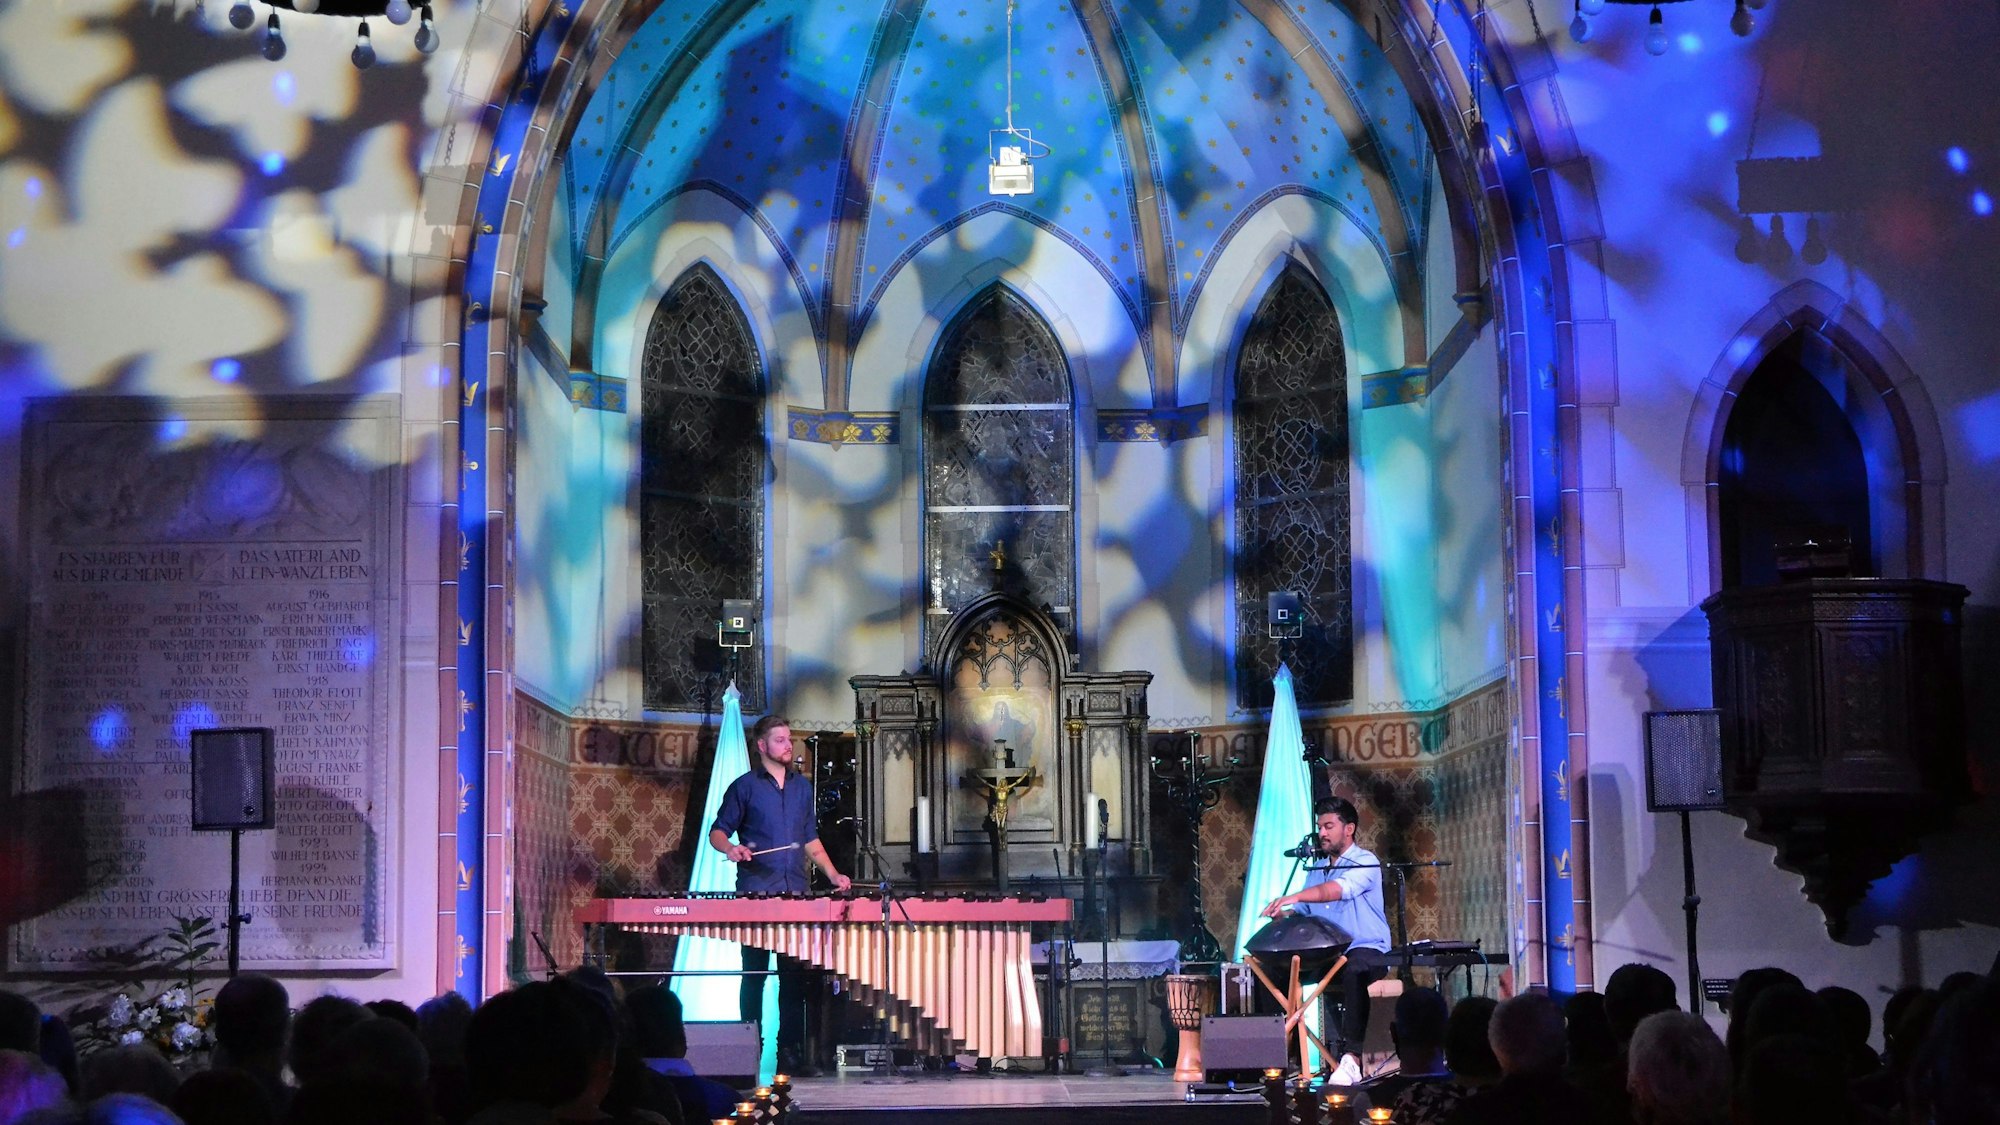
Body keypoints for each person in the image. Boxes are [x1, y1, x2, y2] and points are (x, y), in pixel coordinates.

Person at [708, 714, 852, 1077]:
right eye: (780, 740)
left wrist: (833, 874)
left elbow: (810, 840)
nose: (789, 745)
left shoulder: (802, 788)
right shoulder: (744, 787)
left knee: (793, 979)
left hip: (794, 895)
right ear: (762, 746)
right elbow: (717, 832)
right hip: (756, 896)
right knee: (754, 976)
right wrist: (732, 849)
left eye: (789, 739)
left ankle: (788, 1054)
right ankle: (748, 1053)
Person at [1259, 796, 1393, 1079]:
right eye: (1320, 827)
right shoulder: (1317, 869)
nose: (1322, 833)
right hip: (1328, 953)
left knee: (1354, 969)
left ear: (1349, 829)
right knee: (1269, 971)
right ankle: (1283, 1054)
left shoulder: (1365, 862)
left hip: (1366, 949)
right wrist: (1283, 914)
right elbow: (1304, 913)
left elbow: (1338, 890)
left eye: (1329, 826)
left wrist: (1294, 896)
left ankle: (1352, 1058)